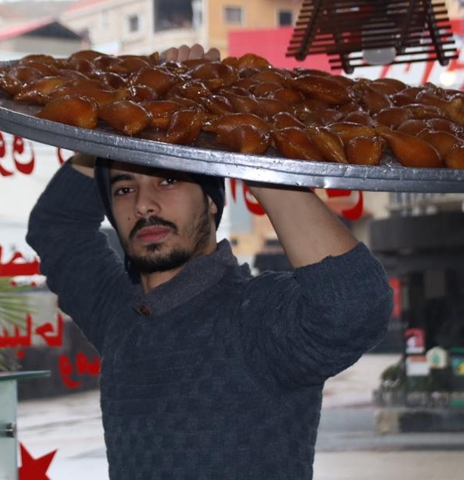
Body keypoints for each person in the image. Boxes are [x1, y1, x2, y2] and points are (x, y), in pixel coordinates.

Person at [26, 45, 393, 480]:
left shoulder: (257, 318)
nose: (144, 204)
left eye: (168, 179)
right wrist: (128, 106)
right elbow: (56, 228)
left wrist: (253, 146)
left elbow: (355, 306)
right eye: (124, 188)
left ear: (214, 206)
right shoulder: (119, 318)